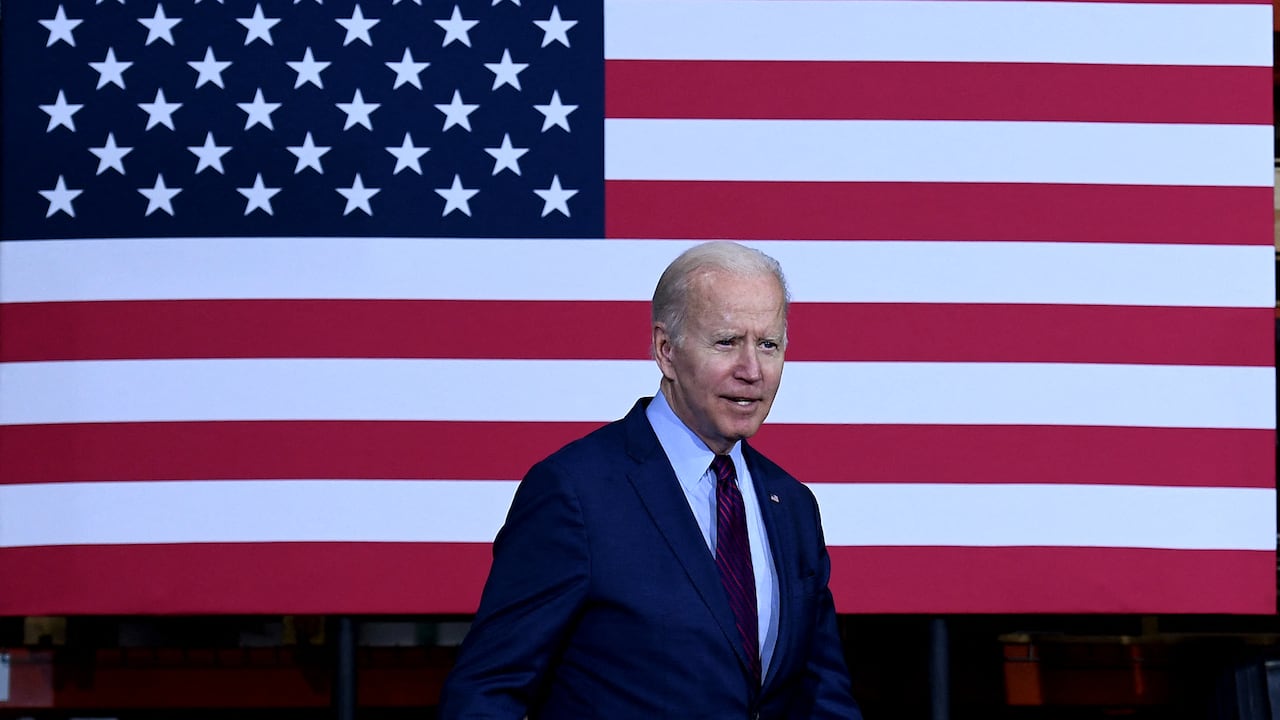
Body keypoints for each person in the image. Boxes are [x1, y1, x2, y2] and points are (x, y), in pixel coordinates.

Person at [439, 241, 863, 719]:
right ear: (666, 351)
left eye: (768, 344)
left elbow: (822, 695)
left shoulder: (793, 504)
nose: (752, 371)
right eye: (726, 342)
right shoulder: (574, 493)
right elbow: (486, 690)